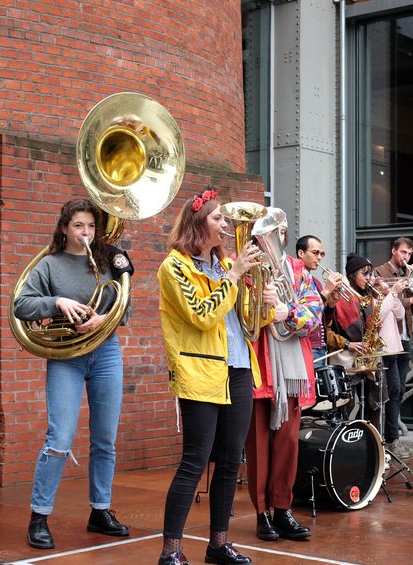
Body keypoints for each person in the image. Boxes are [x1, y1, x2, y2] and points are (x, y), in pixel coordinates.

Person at [155, 191, 275, 565]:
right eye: (218, 219)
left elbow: (245, 324)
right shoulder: (174, 268)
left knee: (229, 461)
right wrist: (235, 276)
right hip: (201, 370)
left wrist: (265, 305)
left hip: (238, 367)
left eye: (225, 220)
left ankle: (218, 544)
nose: (226, 226)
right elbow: (202, 315)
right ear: (198, 223)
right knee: (195, 461)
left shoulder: (225, 264)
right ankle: (170, 551)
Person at [13, 198, 134, 550]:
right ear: (65, 227)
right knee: (60, 438)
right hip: (66, 356)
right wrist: (57, 303)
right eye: (79, 225)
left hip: (106, 353)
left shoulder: (107, 262)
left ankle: (100, 510)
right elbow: (22, 303)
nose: (86, 232)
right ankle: (39, 516)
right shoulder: (48, 265)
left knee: (105, 440)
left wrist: (104, 319)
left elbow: (123, 307)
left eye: (91, 227)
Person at [246, 221, 323, 543]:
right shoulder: (243, 267)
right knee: (259, 448)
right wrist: (259, 304)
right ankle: (262, 512)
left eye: (279, 231)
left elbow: (315, 313)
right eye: (268, 230)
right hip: (258, 369)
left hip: (290, 373)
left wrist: (285, 312)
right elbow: (238, 316)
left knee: (288, 446)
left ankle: (282, 508)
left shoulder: (296, 269)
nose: (275, 235)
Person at [325, 253, 402, 430]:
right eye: (365, 274)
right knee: (347, 405)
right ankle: (344, 443)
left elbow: (387, 318)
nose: (370, 278)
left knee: (373, 406)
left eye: (371, 274)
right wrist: (347, 343)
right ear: (352, 275)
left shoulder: (369, 297)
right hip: (345, 360)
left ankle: (373, 445)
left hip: (369, 360)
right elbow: (325, 331)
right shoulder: (340, 296)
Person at [374, 237, 413, 457]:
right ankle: (389, 440)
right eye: (403, 253)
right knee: (392, 389)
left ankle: (393, 439)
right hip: (388, 340)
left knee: (400, 390)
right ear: (394, 251)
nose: (406, 257)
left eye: (409, 254)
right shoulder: (380, 273)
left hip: (405, 338)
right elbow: (386, 304)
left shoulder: (407, 275)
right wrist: (411, 298)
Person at [296, 235, 343, 367]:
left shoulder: (316, 282)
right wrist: (326, 292)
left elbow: (323, 320)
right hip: (306, 345)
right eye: (315, 252)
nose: (319, 257)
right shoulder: (296, 279)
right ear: (301, 253)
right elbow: (302, 315)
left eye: (321, 253)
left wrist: (332, 304)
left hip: (321, 346)